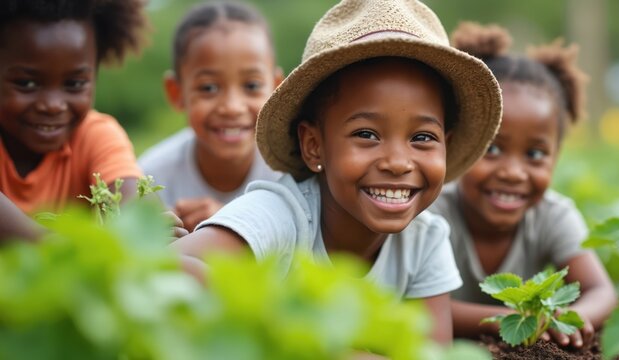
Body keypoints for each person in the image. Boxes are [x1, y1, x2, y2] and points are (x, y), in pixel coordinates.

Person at [171, 0, 503, 345]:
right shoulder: (280, 214)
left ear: (445, 145)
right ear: (314, 145)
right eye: (367, 135)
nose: (398, 162)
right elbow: (171, 268)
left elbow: (432, 352)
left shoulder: (426, 238)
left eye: (422, 138)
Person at [430, 22, 617, 348]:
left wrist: (574, 317)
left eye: (534, 154)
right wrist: (511, 321)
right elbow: (420, 308)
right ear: (460, 143)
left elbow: (601, 291)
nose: (513, 172)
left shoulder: (553, 215)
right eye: (493, 149)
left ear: (556, 156)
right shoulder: (433, 215)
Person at [139, 1, 283, 232]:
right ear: (177, 93)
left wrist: (229, 224)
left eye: (252, 85)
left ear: (276, 88)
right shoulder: (150, 177)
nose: (232, 107)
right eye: (208, 88)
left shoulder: (288, 175)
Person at [0, 0, 147, 214]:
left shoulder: (95, 136)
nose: (52, 106)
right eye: (26, 83)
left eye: (74, 84)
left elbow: (133, 209)